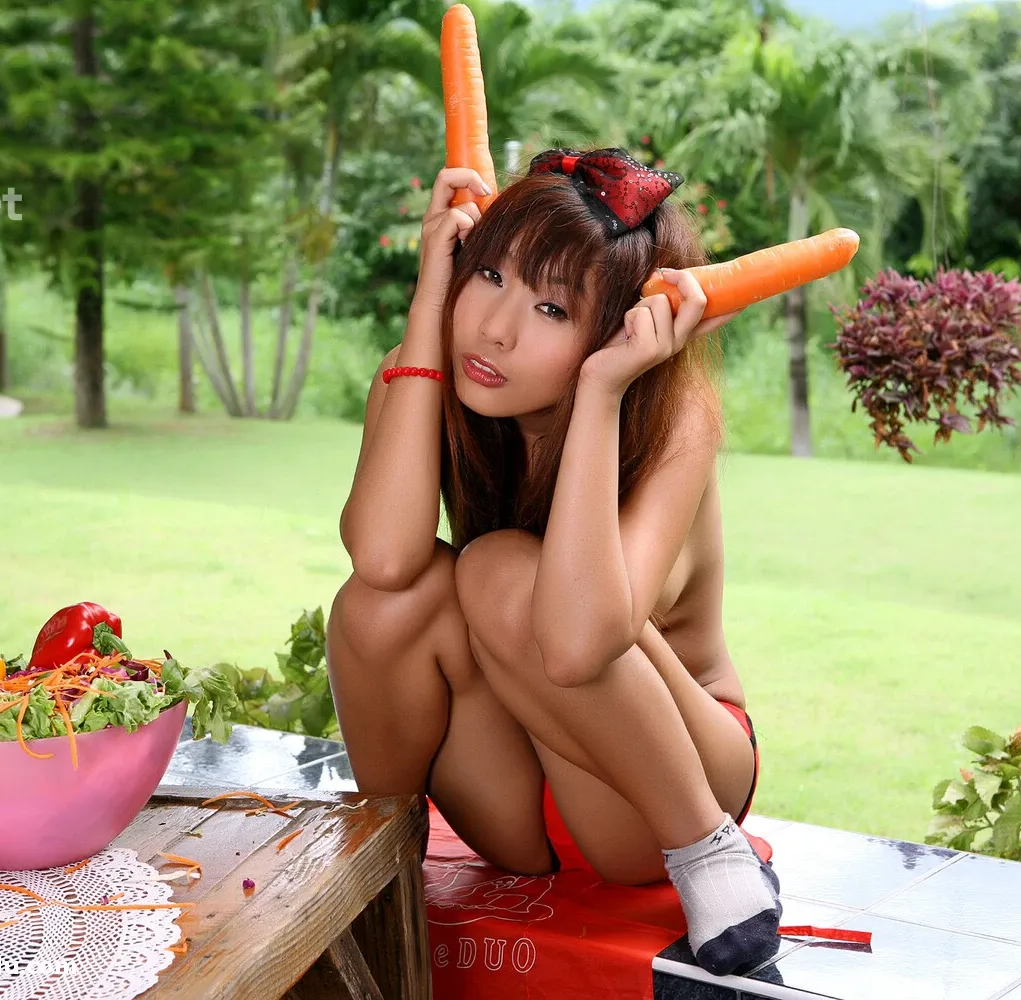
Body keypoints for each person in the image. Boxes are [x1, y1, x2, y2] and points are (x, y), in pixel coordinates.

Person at [328, 147, 782, 977]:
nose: (495, 328)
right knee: (378, 604)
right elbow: (385, 561)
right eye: (487, 275)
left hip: (660, 786)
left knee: (496, 570)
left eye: (551, 308)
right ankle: (377, 870)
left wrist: (603, 392)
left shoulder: (673, 417)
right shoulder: (427, 374)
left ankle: (714, 856)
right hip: (518, 782)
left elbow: (580, 645)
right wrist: (428, 303)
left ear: (619, 328)